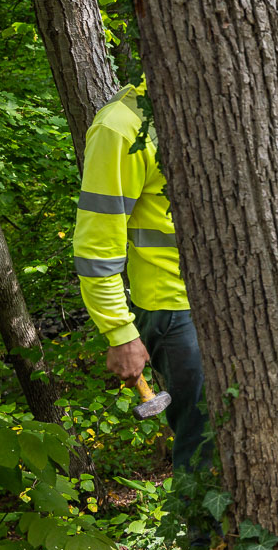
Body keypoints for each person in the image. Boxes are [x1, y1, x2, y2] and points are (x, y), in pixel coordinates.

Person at [73, 82, 211, 474]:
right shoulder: (121, 126)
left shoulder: (223, 105)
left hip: (245, 302)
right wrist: (120, 331)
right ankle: (206, 537)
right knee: (205, 454)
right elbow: (98, 246)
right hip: (176, 311)